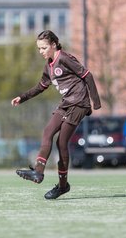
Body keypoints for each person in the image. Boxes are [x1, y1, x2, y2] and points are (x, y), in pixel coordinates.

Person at [11, 30, 101, 199]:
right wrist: (22, 97)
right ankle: (38, 172)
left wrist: (95, 103)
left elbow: (88, 76)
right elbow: (40, 87)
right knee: (47, 132)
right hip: (66, 103)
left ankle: (62, 185)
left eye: (44, 48)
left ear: (53, 45)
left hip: (79, 103)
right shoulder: (48, 66)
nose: (41, 52)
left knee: (61, 142)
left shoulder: (65, 58)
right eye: (39, 49)